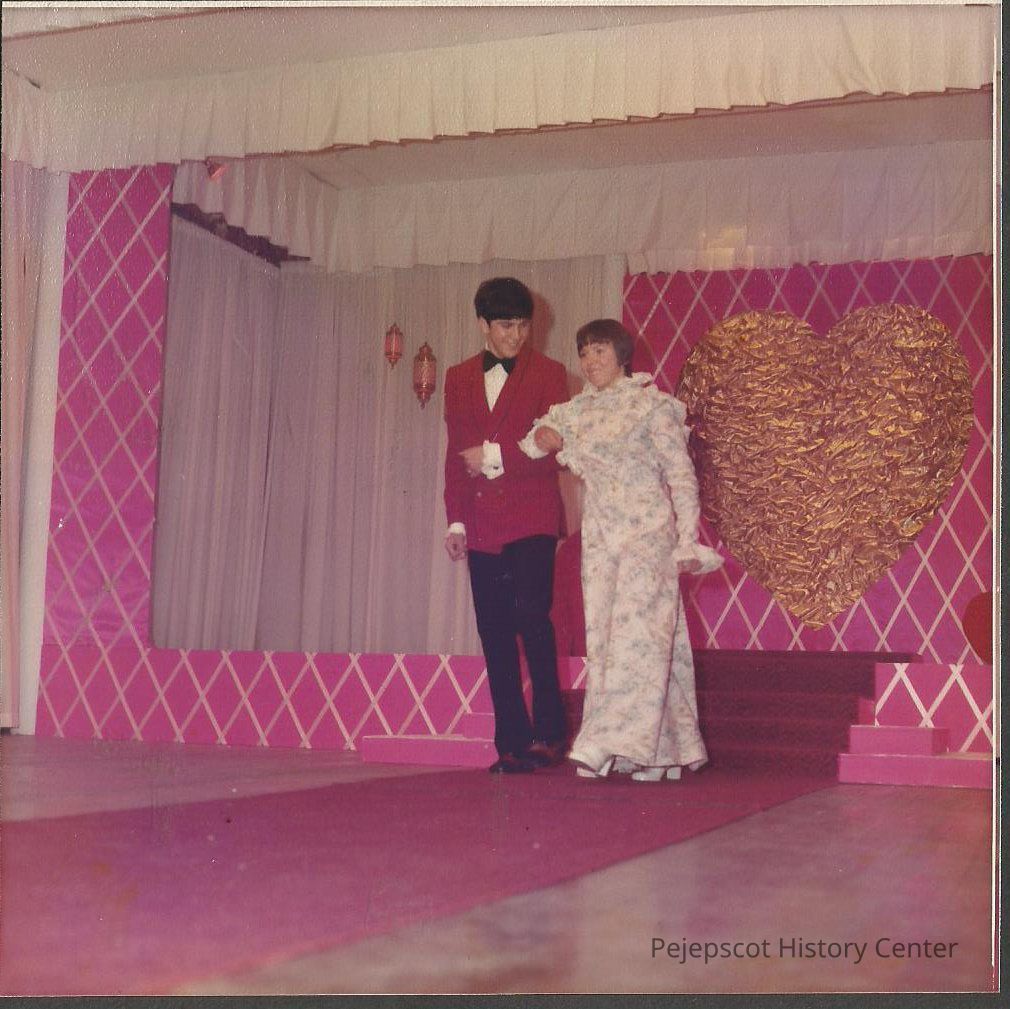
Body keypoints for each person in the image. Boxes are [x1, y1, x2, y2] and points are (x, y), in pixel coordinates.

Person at [519, 319, 722, 782]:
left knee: (639, 637)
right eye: (584, 353)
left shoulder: (651, 407)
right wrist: (545, 435)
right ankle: (660, 750)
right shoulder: (576, 410)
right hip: (601, 538)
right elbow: (534, 443)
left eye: (600, 351)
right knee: (609, 640)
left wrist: (686, 539)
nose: (590, 362)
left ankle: (602, 740)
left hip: (648, 534)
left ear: (622, 355)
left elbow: (681, 476)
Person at [443, 277, 570, 773]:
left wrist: (494, 456)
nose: (516, 336)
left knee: (532, 621)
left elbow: (555, 450)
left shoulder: (550, 374)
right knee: (494, 632)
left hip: (532, 516)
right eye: (505, 326)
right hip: (481, 523)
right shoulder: (456, 377)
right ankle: (510, 743)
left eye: (522, 326)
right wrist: (455, 520)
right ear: (483, 325)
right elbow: (457, 455)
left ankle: (549, 735)